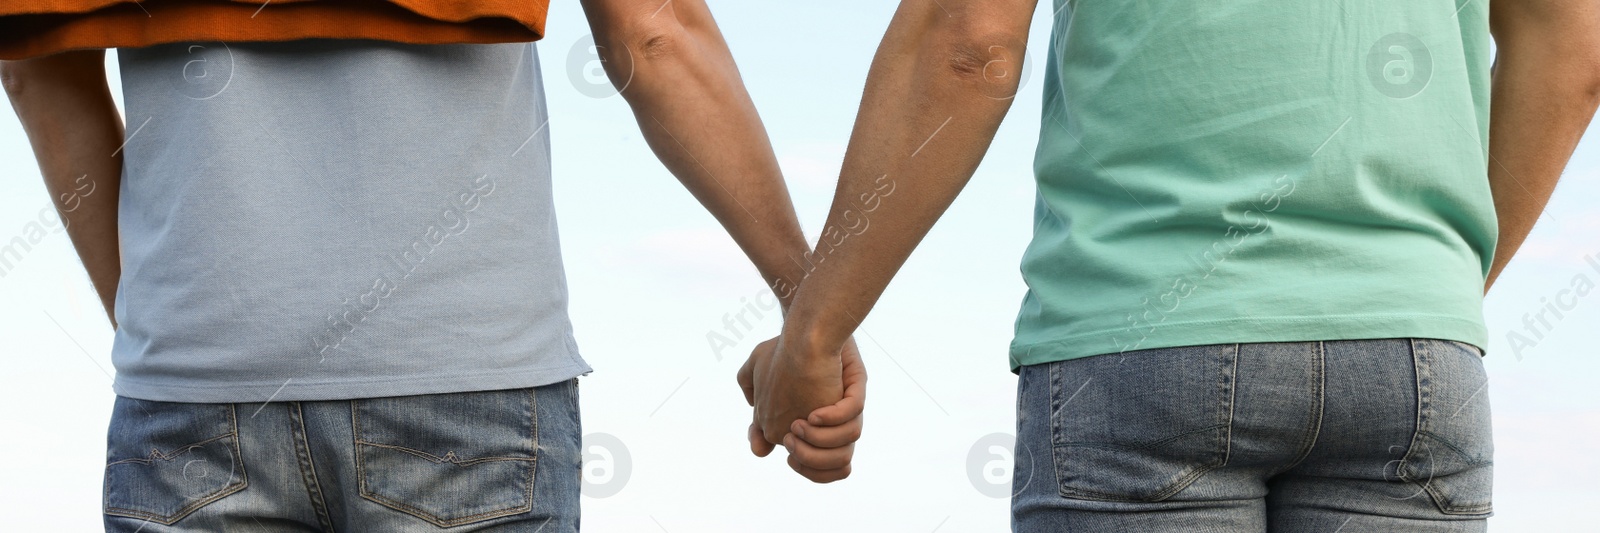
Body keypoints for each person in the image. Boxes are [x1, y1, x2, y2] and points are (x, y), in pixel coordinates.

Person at [2, 0, 861, 530]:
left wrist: (168, 333)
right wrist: (808, 312)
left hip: (191, 400)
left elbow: (39, 68)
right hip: (470, 387)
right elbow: (655, 31)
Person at [741, 0, 1600, 530]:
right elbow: (1572, 51)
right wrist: (1421, 293)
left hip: (1141, 341)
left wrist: (813, 333)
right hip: (1413, 361)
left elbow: (968, 42)